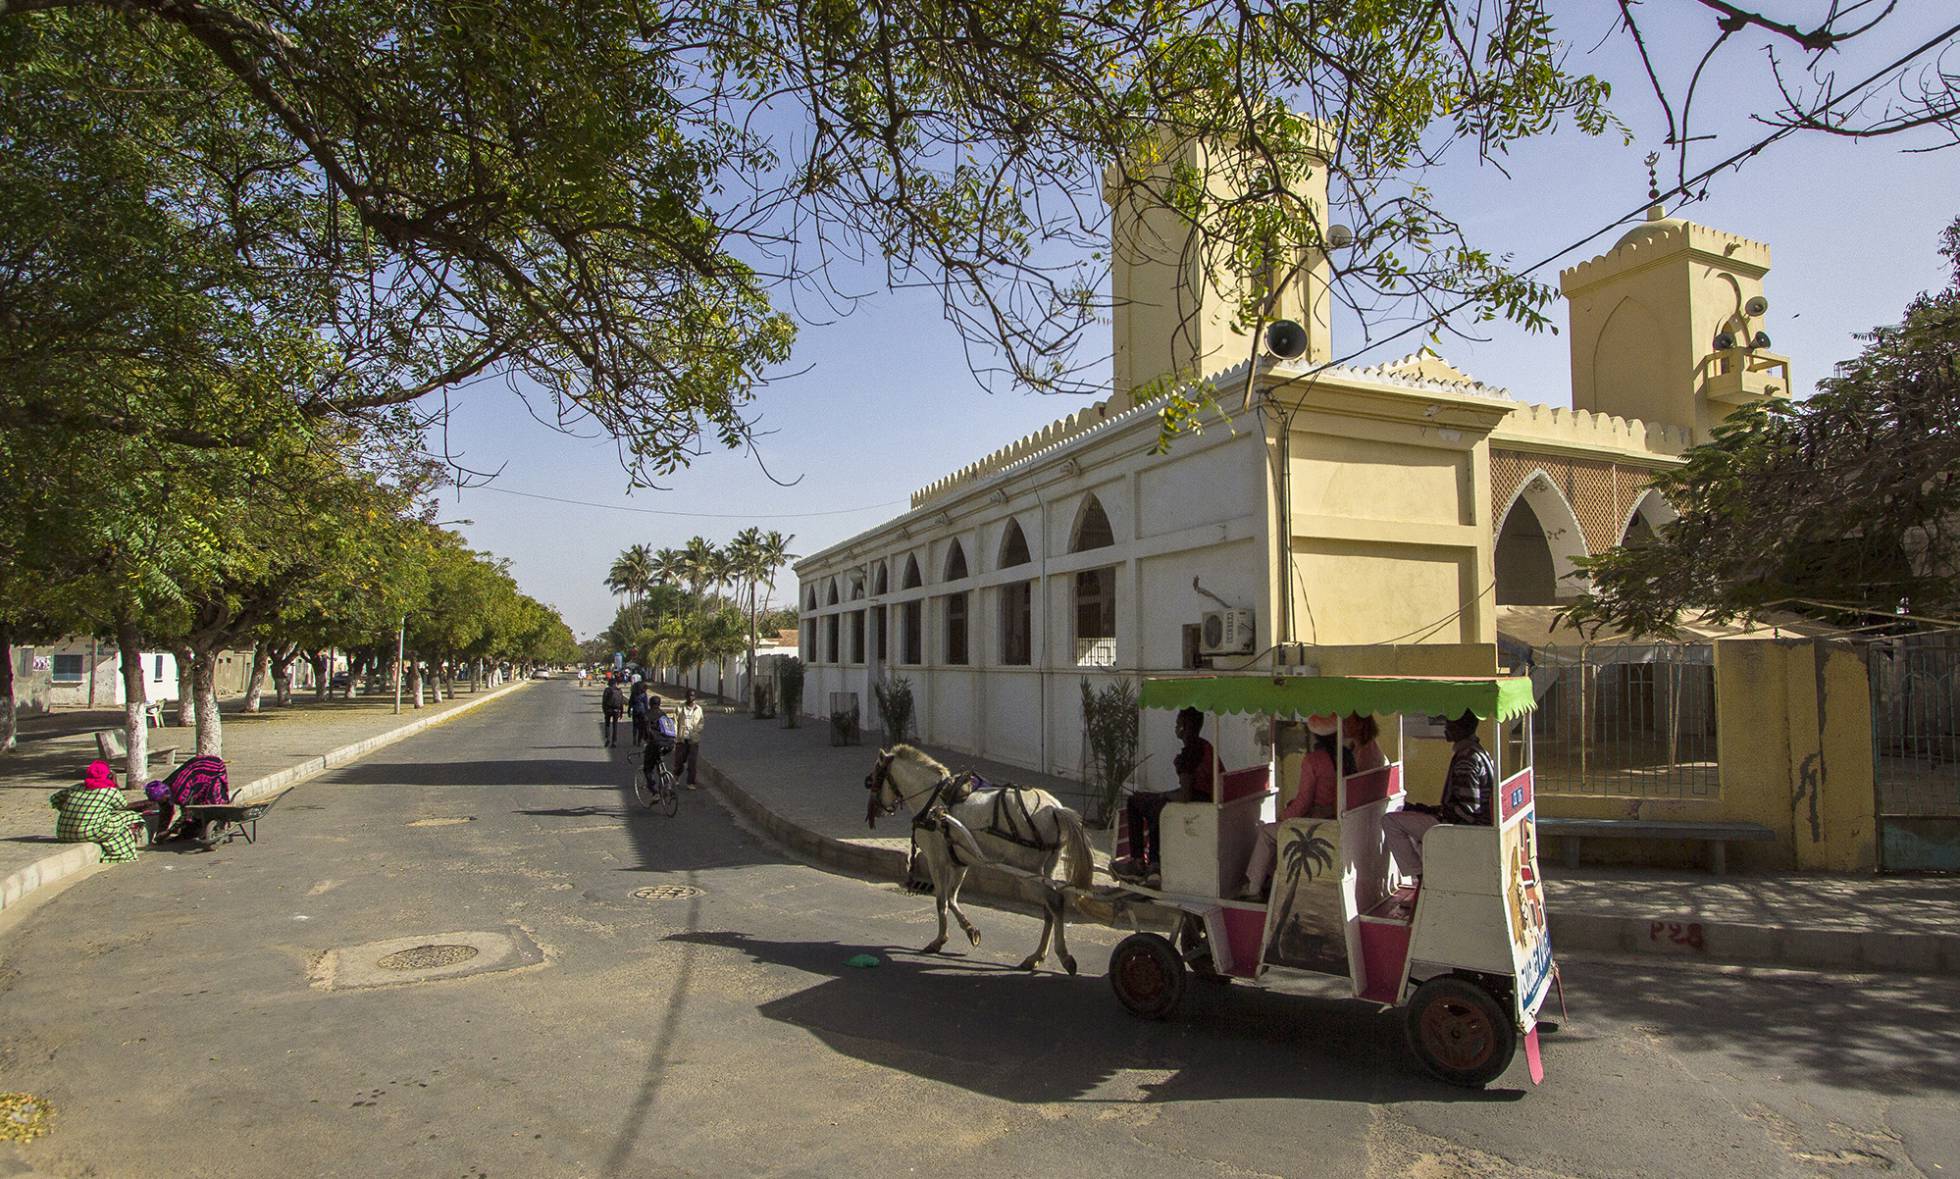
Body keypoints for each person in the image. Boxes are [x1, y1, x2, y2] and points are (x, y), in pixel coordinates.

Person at [1238, 714, 1341, 900]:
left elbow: (1303, 802)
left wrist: (1284, 816)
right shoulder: (1345, 756)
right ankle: (1270, 881)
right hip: (1335, 821)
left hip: (1317, 826)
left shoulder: (1313, 760)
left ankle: (1253, 888)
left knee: (1267, 833)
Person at [1382, 710, 1495, 881]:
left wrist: (1433, 812)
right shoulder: (1477, 752)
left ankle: (1420, 875)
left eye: (1450, 724)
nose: (1446, 727)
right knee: (1410, 820)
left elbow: (1468, 811)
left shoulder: (1467, 760)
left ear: (1462, 728)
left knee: (1390, 821)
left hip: (1465, 830)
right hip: (1469, 824)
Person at [1114, 707, 1212, 880]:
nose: (1175, 727)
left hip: (1196, 808)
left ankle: (1144, 863)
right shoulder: (1205, 746)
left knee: (1137, 803)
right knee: (1150, 801)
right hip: (1205, 802)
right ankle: (1150, 863)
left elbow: (1185, 795)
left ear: (1185, 726)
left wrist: (1162, 796)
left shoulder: (1190, 753)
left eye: (1177, 723)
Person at [49, 760, 141, 863]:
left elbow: (54, 799)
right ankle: (119, 854)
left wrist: (69, 810)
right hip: (88, 833)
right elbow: (122, 806)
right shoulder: (110, 791)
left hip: (63, 833)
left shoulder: (76, 788)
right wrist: (114, 784)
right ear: (108, 775)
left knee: (108, 819)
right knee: (130, 816)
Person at [144, 755, 230, 842]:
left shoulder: (180, 791)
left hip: (211, 768)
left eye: (159, 800)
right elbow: (166, 811)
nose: (159, 802)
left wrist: (169, 831)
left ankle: (217, 825)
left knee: (211, 802)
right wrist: (161, 831)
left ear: (165, 795)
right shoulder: (163, 789)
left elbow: (187, 812)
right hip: (196, 769)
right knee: (193, 815)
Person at [672, 690, 704, 788]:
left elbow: (701, 722)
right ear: (686, 697)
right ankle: (676, 775)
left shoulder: (698, 709)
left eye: (693, 696)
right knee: (680, 761)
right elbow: (675, 722)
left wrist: (696, 731)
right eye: (689, 696)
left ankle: (691, 782)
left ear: (695, 697)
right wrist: (676, 735)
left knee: (692, 762)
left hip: (693, 740)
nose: (691, 697)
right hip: (682, 739)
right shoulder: (680, 708)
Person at [601, 680, 624, 747]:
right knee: (615, 726)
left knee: (607, 724)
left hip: (608, 709)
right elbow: (621, 702)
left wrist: (604, 710)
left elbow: (604, 701)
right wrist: (621, 712)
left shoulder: (607, 690)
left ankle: (608, 738)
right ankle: (614, 741)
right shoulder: (619, 691)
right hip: (616, 710)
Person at [628, 678, 650, 746]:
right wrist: (647, 712)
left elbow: (630, 702)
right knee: (641, 727)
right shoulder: (644, 694)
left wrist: (629, 710)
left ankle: (634, 738)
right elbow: (646, 704)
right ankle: (639, 741)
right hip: (642, 712)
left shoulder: (634, 694)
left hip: (635, 711)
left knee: (635, 726)